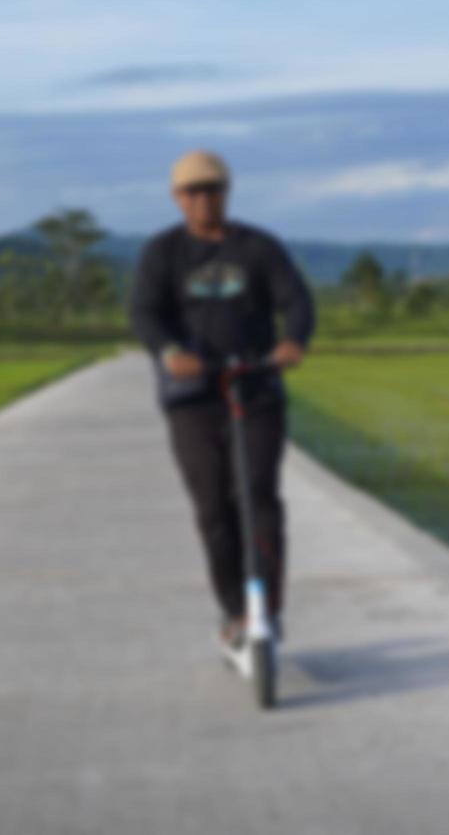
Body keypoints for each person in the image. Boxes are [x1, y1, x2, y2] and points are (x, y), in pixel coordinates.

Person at [129, 149, 315, 655]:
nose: (203, 199)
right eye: (192, 191)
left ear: (226, 192)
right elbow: (145, 313)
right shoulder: (162, 253)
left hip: (254, 385)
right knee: (213, 506)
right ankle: (234, 611)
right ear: (177, 198)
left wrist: (292, 341)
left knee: (257, 496)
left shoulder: (259, 248)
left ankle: (267, 610)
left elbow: (295, 300)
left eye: (212, 189)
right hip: (191, 396)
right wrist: (169, 352)